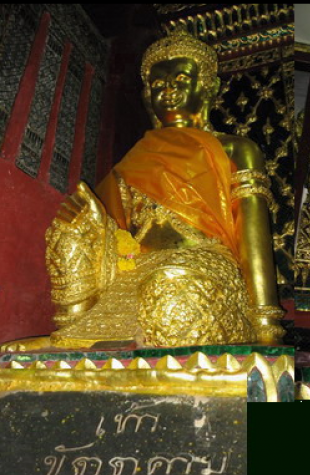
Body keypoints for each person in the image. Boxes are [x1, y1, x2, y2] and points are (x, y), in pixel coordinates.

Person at [2, 29, 285, 351]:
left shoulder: (236, 149)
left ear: (208, 86)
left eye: (181, 80)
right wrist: (95, 222)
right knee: (68, 234)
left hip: (201, 265)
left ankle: (108, 341)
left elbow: (253, 238)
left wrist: (266, 325)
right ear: (148, 94)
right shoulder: (138, 156)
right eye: (158, 84)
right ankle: (70, 334)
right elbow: (115, 234)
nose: (169, 90)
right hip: (135, 270)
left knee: (172, 286)